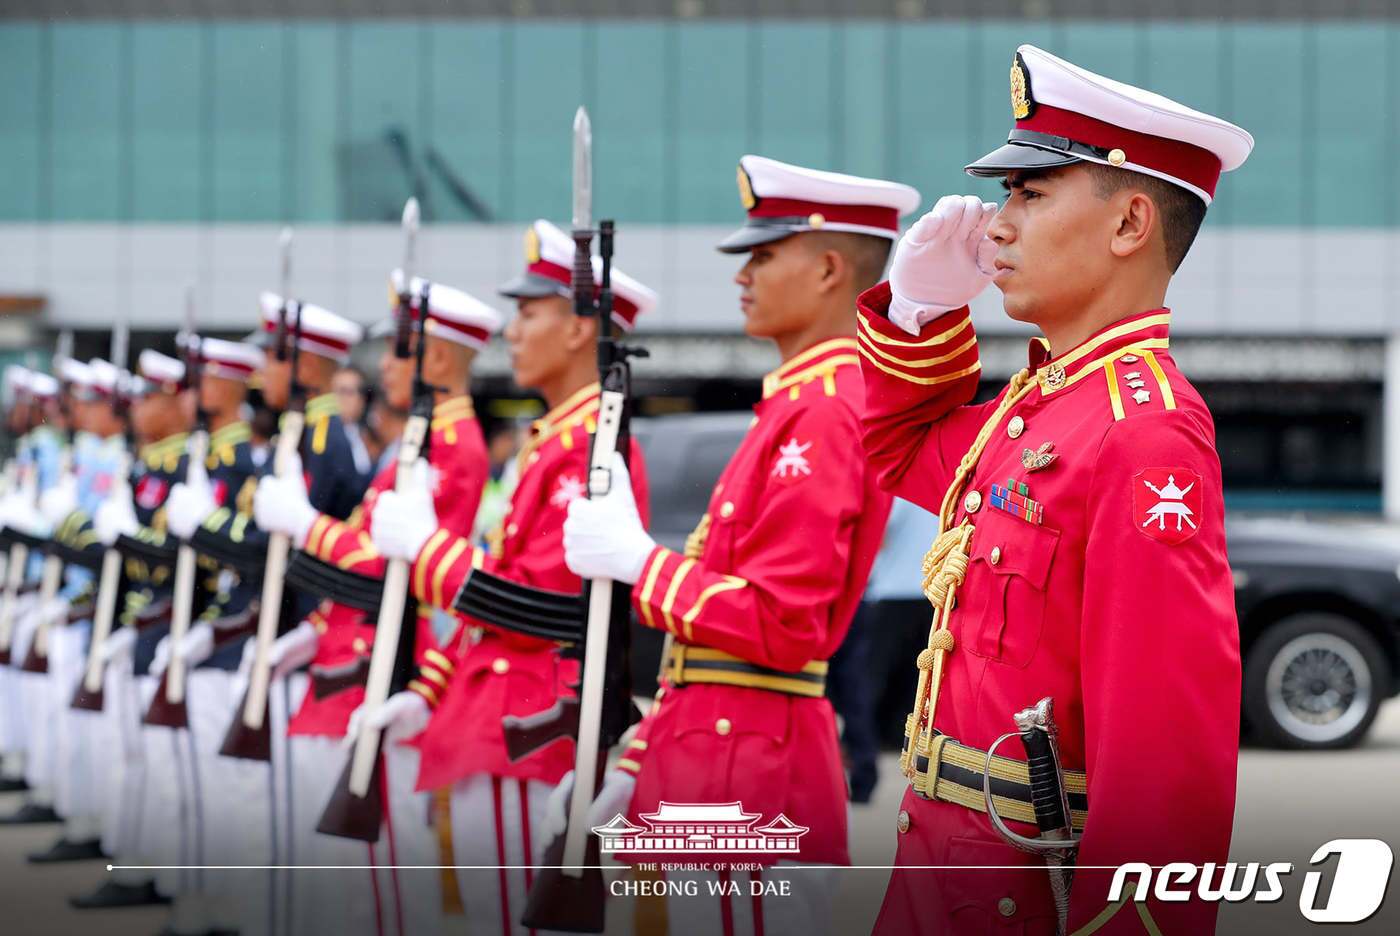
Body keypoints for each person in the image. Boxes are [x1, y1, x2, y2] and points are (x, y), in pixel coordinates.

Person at [856, 45, 1250, 934]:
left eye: (1030, 195)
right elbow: (897, 447)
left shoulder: (1143, 431)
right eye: (1006, 197)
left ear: (1129, 224)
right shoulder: (1037, 408)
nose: (997, 227)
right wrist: (920, 314)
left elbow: (1163, 764)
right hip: (942, 873)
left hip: (1018, 898)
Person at [558, 157, 916, 935]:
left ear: (827, 268)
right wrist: (635, 759)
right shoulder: (792, 407)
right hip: (717, 753)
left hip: (749, 775)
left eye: (762, 254)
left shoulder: (825, 410)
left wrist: (637, 561)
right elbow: (707, 650)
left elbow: (782, 626)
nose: (742, 276)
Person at [367, 218, 655, 936]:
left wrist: (429, 550)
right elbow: (499, 587)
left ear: (581, 329)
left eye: (530, 314)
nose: (512, 332)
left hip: (525, 720)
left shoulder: (593, 449)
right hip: (494, 711)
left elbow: (546, 604)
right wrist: (429, 686)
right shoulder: (552, 443)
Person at [253, 274, 499, 936]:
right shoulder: (417, 444)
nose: (384, 365)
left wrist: (306, 525)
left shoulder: (456, 447)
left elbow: (400, 567)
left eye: (399, 349)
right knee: (351, 876)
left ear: (438, 357)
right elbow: (366, 566)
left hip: (394, 663)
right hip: (357, 653)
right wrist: (312, 630)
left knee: (386, 875)